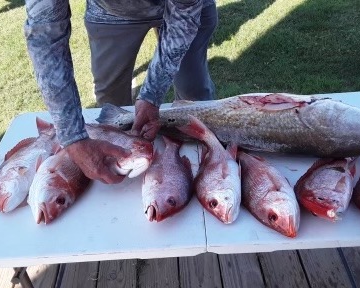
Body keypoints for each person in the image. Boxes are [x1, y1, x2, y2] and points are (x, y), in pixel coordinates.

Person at [24, 0, 217, 184]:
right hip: (110, 13)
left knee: (194, 93)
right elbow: (44, 34)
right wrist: (72, 137)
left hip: (190, 8)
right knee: (110, 98)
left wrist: (151, 94)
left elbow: (183, 20)